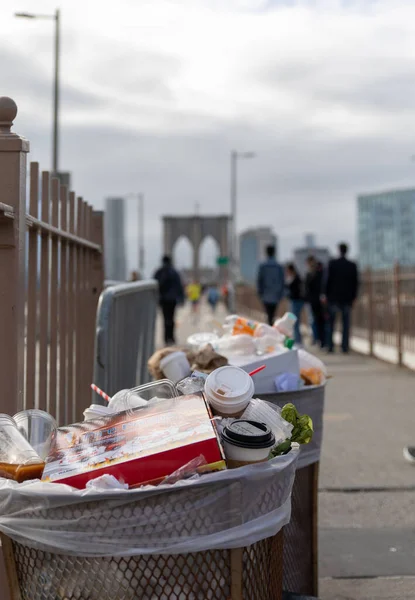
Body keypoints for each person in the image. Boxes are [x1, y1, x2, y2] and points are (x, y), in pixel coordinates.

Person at [324, 242, 359, 354]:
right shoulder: (352, 265)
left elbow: (327, 281)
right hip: (347, 298)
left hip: (333, 298)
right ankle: (344, 347)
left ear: (339, 250)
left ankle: (330, 346)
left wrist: (325, 294)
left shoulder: (332, 264)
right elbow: (355, 283)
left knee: (331, 323)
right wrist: (354, 297)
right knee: (345, 324)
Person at [153, 255, 184, 345]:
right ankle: (171, 337)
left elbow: (154, 285)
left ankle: (166, 338)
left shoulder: (159, 272)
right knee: (172, 318)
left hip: (163, 299)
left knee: (165, 318)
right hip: (172, 299)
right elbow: (179, 286)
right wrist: (181, 298)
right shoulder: (174, 272)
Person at [257, 245, 285, 326]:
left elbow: (259, 280)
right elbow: (282, 281)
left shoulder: (263, 266)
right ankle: (271, 328)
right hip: (276, 295)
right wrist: (281, 294)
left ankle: (270, 328)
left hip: (265, 295)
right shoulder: (279, 266)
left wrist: (260, 293)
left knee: (269, 314)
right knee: (273, 314)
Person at [305, 256, 326, 348]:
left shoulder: (317, 273)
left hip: (317, 301)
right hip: (315, 301)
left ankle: (319, 340)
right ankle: (318, 339)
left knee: (317, 321)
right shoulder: (313, 274)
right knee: (316, 321)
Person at [285, 263, 305, 345]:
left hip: (296, 301)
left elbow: (292, 288)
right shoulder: (297, 277)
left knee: (294, 321)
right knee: (295, 321)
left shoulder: (295, 278)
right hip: (296, 301)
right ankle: (297, 339)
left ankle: (297, 340)